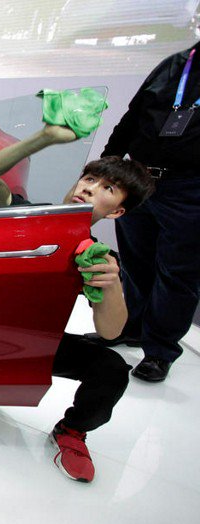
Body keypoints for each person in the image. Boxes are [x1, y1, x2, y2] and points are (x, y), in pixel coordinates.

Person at [0, 120, 154, 483]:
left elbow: (110, 332)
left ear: (117, 211)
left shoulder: (98, 258)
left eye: (108, 188)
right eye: (89, 179)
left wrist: (111, 284)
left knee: (112, 369)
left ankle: (72, 430)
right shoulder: (24, 217)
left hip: (37, 344)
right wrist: (45, 137)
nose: (90, 188)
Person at [97, 42, 200, 383]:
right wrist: (109, 163)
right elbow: (133, 116)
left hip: (189, 189)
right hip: (139, 180)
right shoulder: (174, 64)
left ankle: (159, 351)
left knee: (177, 273)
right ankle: (131, 327)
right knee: (135, 261)